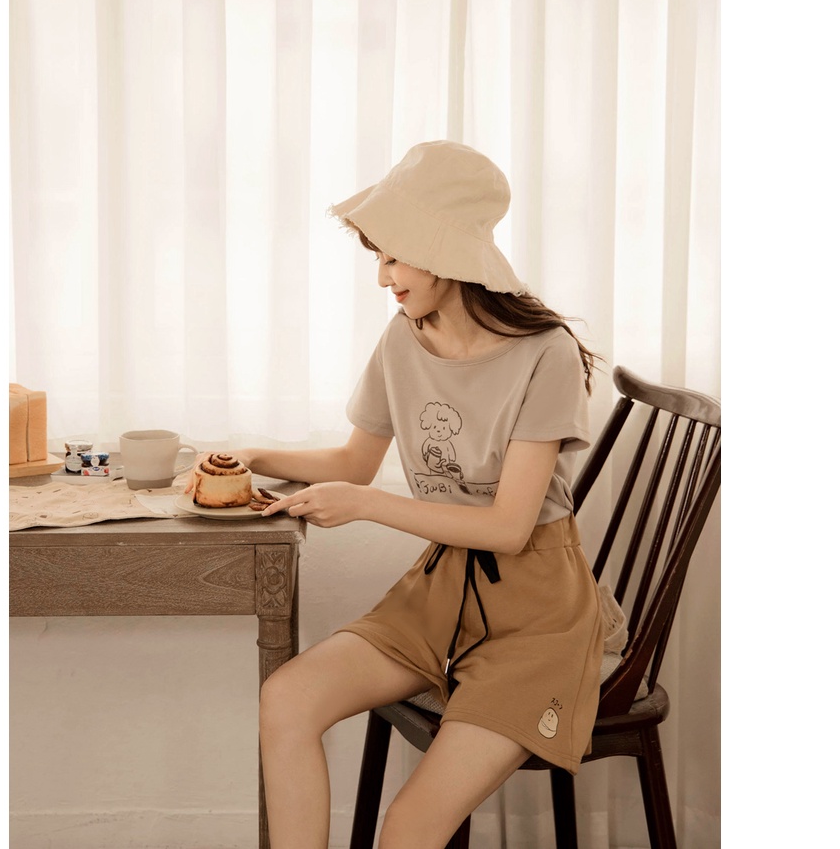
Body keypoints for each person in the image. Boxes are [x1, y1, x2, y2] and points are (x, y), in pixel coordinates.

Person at [191, 141, 605, 849]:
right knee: (287, 699)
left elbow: (509, 528)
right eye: (378, 258)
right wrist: (255, 455)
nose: (383, 277)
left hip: (537, 618)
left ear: (443, 250)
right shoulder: (404, 337)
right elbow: (354, 463)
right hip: (438, 594)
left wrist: (367, 508)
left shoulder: (547, 353)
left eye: (393, 257)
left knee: (408, 828)